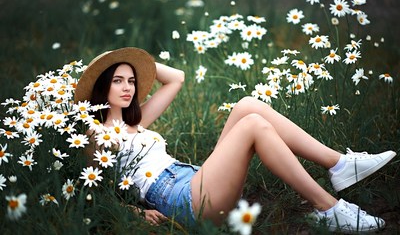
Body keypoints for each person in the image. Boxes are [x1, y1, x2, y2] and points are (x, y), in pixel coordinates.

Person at [74, 47, 396, 233]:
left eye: (132, 80)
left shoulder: (137, 120)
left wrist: (135, 60)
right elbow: (92, 189)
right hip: (183, 201)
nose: (128, 87)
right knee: (253, 124)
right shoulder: (94, 134)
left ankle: (339, 164)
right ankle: (330, 209)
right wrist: (133, 212)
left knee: (247, 106)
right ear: (102, 88)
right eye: (118, 81)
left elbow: (176, 78)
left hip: (197, 179)